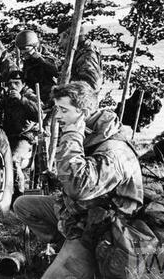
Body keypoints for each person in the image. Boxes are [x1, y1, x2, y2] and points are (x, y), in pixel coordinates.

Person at [13, 81, 143, 279]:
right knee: (23, 205)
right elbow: (85, 178)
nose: (58, 116)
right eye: (58, 109)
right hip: (82, 215)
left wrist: (72, 133)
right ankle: (65, 244)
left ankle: (84, 259)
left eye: (64, 110)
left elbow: (78, 187)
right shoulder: (93, 134)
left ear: (83, 112)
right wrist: (58, 178)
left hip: (105, 232)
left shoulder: (113, 151)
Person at [1, 70, 40, 194]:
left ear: (23, 84)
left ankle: (18, 195)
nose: (13, 86)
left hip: (25, 137)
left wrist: (21, 99)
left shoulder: (29, 95)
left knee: (13, 161)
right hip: (8, 137)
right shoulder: (6, 96)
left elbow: (39, 115)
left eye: (16, 83)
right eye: (10, 83)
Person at [15, 30, 59, 105]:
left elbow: (56, 72)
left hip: (49, 98)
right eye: (21, 49)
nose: (23, 52)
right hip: (34, 98)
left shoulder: (47, 58)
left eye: (26, 49)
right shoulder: (28, 60)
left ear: (35, 46)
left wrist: (40, 60)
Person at [57, 22, 103, 92]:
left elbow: (92, 85)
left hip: (82, 100)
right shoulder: (80, 52)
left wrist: (66, 81)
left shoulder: (86, 55)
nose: (59, 42)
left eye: (60, 38)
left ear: (66, 36)